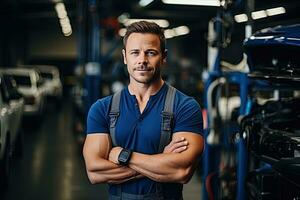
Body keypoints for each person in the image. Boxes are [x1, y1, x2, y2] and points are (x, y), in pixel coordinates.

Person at [83, 21, 204, 200]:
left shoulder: (185, 106)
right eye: (135, 53)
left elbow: (182, 171)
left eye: (151, 53)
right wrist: (161, 160)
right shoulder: (102, 109)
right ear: (125, 57)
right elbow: (94, 172)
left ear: (164, 57)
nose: (142, 60)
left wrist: (123, 155)